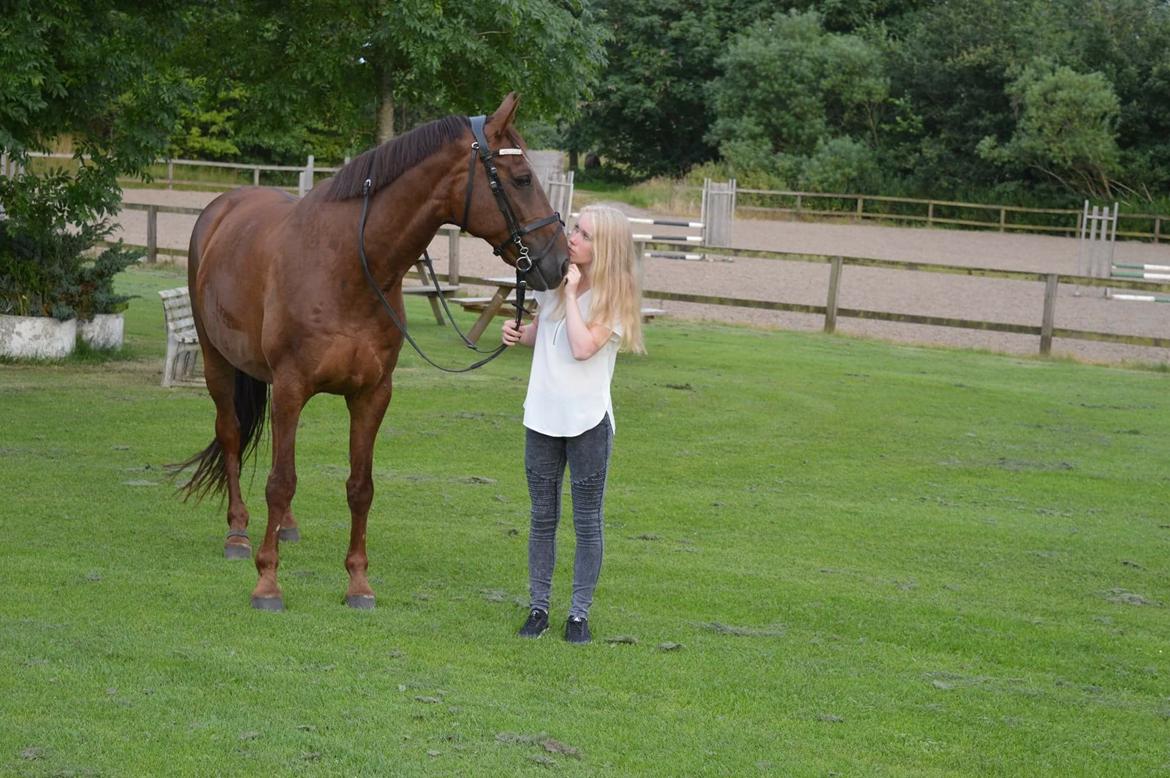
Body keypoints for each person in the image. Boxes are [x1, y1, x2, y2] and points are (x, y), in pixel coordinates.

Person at [501, 204, 645, 644]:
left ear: (605, 246)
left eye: (583, 233)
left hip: (588, 424)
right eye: (575, 229)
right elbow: (549, 336)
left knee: (587, 523)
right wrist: (519, 334)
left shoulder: (613, 298)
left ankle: (578, 615)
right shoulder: (556, 283)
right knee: (542, 518)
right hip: (542, 416)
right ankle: (539, 608)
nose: (573, 238)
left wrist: (569, 294)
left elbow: (582, 348)